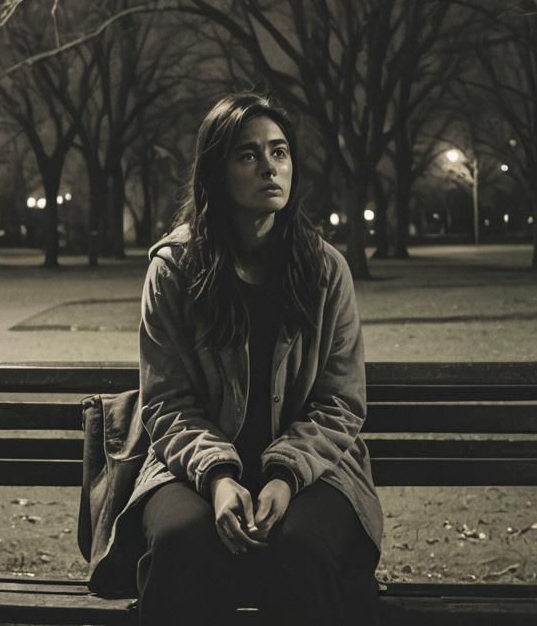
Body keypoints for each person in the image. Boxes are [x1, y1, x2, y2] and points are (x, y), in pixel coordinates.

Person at [113, 93, 383, 626]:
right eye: (248, 155)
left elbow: (340, 403)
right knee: (181, 540)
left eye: (280, 152)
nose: (269, 167)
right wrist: (217, 478)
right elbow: (167, 402)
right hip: (189, 467)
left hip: (316, 469)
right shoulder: (175, 269)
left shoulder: (325, 270)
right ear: (217, 170)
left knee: (302, 548)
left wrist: (284, 475)